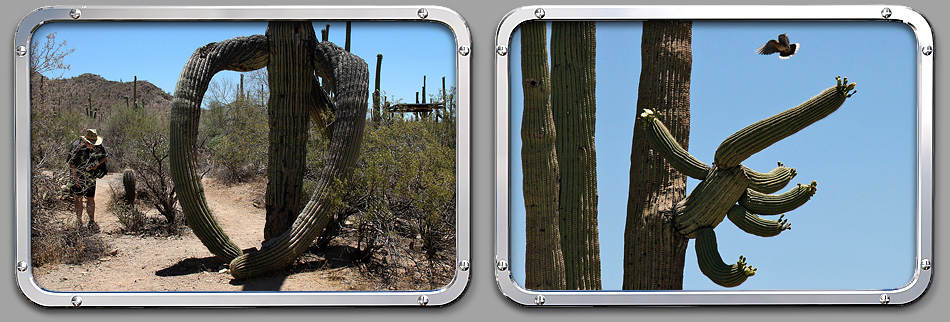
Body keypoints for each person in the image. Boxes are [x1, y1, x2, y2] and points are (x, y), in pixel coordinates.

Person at [68, 129, 108, 232]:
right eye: (91, 143)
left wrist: (97, 164)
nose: (93, 145)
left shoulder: (99, 146)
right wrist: (76, 179)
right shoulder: (77, 147)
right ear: (86, 141)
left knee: (90, 197)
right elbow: (71, 164)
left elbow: (104, 156)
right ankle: (79, 221)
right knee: (78, 197)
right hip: (78, 174)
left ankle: (91, 221)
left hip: (90, 176)